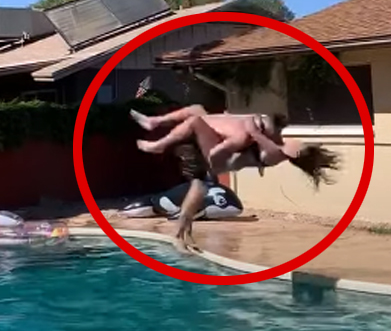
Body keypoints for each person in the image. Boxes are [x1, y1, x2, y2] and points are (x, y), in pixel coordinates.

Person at [130, 105, 339, 252]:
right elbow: (254, 126)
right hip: (218, 152)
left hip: (216, 157)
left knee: (195, 123)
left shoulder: (275, 153)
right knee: (196, 110)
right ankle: (153, 121)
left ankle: (158, 146)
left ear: (295, 155)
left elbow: (253, 133)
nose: (297, 141)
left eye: (300, 146)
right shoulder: (278, 143)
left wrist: (251, 124)